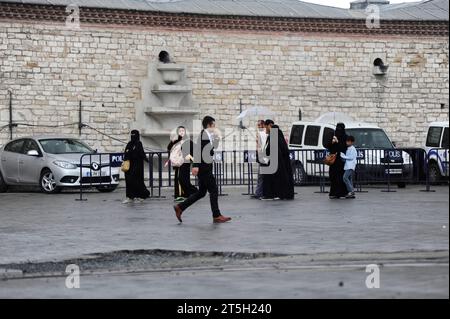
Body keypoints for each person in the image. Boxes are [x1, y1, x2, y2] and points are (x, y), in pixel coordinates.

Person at [173, 116, 232, 223]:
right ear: (209, 125)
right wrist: (195, 165)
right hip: (204, 168)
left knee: (201, 193)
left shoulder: (208, 135)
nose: (215, 127)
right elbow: (198, 151)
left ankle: (180, 207)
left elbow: (211, 149)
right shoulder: (203, 135)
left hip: (205, 167)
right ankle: (216, 215)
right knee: (213, 190)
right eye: (213, 125)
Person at [260, 120, 295, 200]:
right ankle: (279, 194)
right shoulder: (276, 137)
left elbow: (273, 151)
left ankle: (274, 194)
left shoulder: (274, 137)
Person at [167, 126, 197, 202]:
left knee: (182, 179)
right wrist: (173, 141)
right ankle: (183, 194)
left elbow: (193, 151)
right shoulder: (176, 141)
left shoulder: (188, 141)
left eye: (183, 131)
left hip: (185, 163)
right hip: (177, 163)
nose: (181, 132)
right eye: (180, 131)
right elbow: (169, 148)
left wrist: (191, 160)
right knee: (179, 179)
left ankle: (188, 193)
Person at [122, 130, 150, 203]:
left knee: (137, 181)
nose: (133, 136)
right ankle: (130, 197)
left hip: (137, 166)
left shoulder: (139, 143)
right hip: (129, 166)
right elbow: (126, 152)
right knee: (129, 181)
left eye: (134, 135)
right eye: (132, 135)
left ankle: (142, 195)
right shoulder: (129, 143)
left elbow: (141, 153)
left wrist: (146, 159)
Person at [326, 122, 348, 199]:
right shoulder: (333, 136)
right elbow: (328, 146)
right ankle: (334, 192)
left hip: (341, 160)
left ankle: (342, 193)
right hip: (334, 160)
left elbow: (343, 148)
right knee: (333, 176)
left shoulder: (345, 137)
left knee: (341, 176)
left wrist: (338, 142)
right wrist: (332, 142)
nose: (338, 131)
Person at [253, 120, 267, 199]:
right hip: (260, 156)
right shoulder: (260, 134)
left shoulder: (264, 134)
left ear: (263, 125)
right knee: (260, 176)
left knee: (261, 176)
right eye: (257, 125)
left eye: (259, 125)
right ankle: (258, 192)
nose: (258, 127)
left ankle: (259, 192)